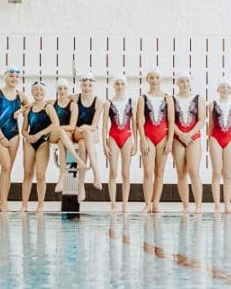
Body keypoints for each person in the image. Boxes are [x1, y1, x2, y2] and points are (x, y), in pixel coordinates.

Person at [0, 67, 28, 213]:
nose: (14, 79)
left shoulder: (20, 95)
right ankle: (3, 202)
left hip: (14, 134)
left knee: (8, 169)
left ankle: (4, 201)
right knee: (5, 166)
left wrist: (20, 111)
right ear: (6, 77)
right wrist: (1, 137)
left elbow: (30, 106)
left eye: (17, 77)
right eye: (11, 76)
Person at [169, 70, 205, 213]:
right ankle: (185, 205)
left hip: (193, 137)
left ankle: (198, 205)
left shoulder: (198, 98)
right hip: (178, 138)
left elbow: (202, 120)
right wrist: (181, 134)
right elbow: (171, 120)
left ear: (191, 82)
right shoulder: (172, 99)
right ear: (177, 83)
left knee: (193, 171)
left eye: (187, 81)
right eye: (181, 81)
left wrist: (189, 134)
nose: (184, 83)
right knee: (181, 172)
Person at [137, 68, 171, 214]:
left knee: (160, 171)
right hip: (148, 137)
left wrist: (169, 140)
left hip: (163, 137)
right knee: (148, 172)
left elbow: (171, 121)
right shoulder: (142, 98)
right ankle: (147, 203)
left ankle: (156, 204)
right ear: (147, 80)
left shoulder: (168, 98)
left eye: (157, 77)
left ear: (160, 79)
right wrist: (143, 140)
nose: (154, 80)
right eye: (151, 78)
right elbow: (139, 121)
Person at [46, 78, 85, 202]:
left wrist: (59, 128)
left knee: (63, 140)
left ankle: (62, 176)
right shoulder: (52, 103)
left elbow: (72, 126)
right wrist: (23, 108)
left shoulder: (73, 105)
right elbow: (36, 103)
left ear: (68, 90)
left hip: (65, 135)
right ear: (56, 90)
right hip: (53, 135)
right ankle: (78, 160)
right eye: (60, 88)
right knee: (62, 134)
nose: (62, 91)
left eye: (64, 88)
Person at [102, 74, 135, 213]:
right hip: (113, 137)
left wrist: (136, 142)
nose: (120, 86)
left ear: (125, 85)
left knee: (125, 172)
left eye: (122, 83)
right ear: (113, 86)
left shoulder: (131, 102)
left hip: (127, 136)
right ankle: (113, 203)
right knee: (113, 171)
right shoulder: (108, 103)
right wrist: (105, 144)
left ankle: (125, 204)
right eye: (117, 84)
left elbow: (135, 124)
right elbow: (104, 125)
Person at [20, 80, 52, 213]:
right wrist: (28, 137)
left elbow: (54, 124)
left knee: (40, 174)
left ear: (44, 92)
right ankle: (24, 205)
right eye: (36, 90)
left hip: (43, 141)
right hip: (30, 141)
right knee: (27, 174)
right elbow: (24, 129)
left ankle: (40, 205)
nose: (38, 92)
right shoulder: (29, 111)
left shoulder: (48, 107)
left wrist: (40, 134)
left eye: (41, 90)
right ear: (32, 92)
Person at [207, 78, 231, 214]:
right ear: (218, 89)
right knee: (216, 172)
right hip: (215, 138)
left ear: (230, 90)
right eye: (222, 87)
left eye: (227, 87)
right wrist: (209, 139)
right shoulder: (212, 104)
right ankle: (217, 205)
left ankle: (227, 206)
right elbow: (211, 124)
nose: (225, 89)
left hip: (230, 138)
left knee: (227, 174)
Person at [72, 73, 105, 193]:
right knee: (83, 138)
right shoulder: (75, 98)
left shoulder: (98, 102)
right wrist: (33, 103)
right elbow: (58, 100)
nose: (87, 88)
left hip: (90, 132)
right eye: (84, 85)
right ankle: (96, 174)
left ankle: (81, 187)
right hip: (77, 131)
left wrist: (86, 127)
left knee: (83, 143)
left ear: (93, 86)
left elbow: (94, 125)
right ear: (81, 85)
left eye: (89, 85)